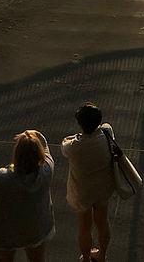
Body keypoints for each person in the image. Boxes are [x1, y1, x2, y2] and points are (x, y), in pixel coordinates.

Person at [0, 129, 55, 262]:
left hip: (7, 229)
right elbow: (46, 148)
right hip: (36, 227)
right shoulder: (46, 172)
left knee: (5, 258)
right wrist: (35, 134)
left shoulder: (0, 177)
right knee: (37, 259)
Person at [62, 102, 118, 262]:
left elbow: (64, 144)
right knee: (102, 222)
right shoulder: (107, 134)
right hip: (102, 188)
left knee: (84, 227)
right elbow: (106, 126)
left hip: (82, 192)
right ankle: (102, 255)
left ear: (80, 124)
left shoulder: (74, 147)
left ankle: (86, 258)